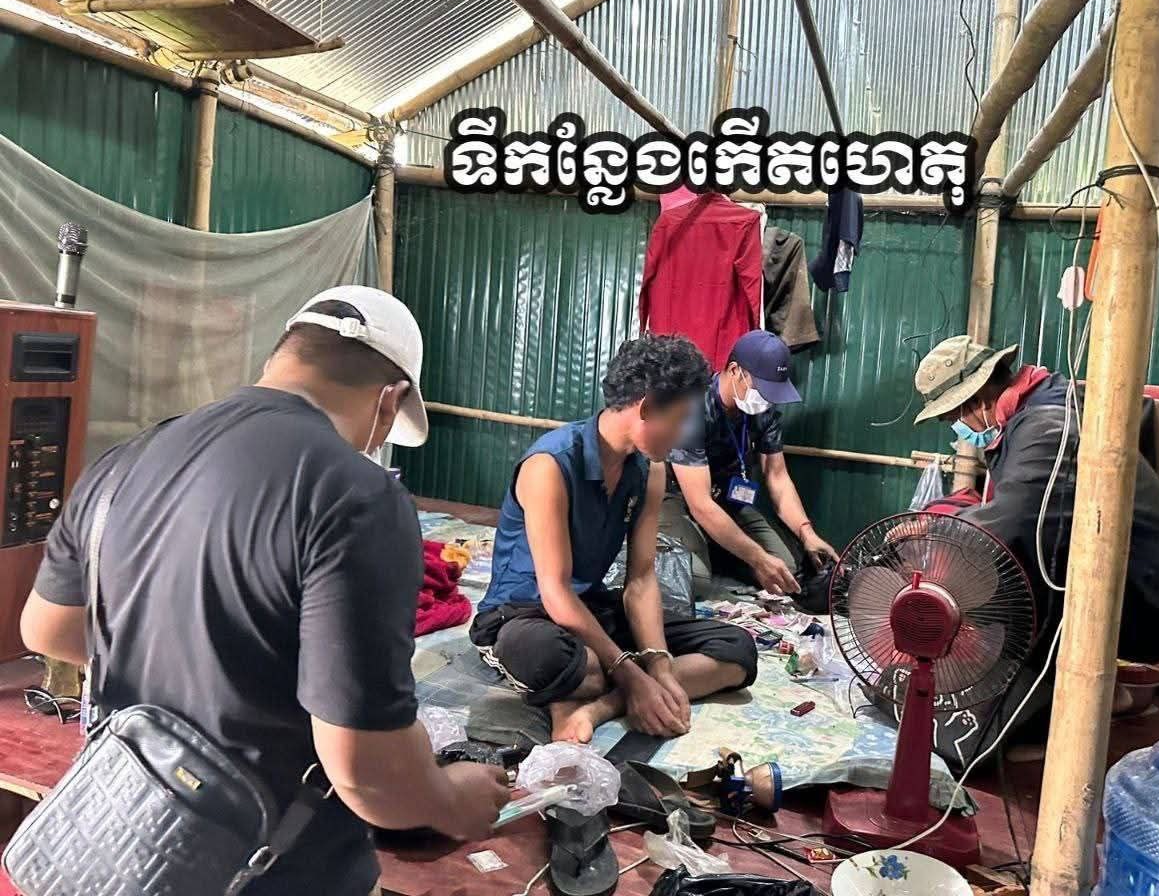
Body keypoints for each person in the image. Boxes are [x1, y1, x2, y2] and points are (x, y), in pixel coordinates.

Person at [20, 286, 510, 895]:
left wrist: (202, 664)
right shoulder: (355, 493)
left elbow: (48, 628)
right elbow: (367, 772)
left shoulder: (124, 460)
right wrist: (451, 800)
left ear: (279, 358)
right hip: (271, 866)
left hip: (126, 838)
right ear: (390, 402)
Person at [471, 334, 758, 744]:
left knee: (737, 647)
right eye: (678, 419)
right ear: (647, 408)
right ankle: (611, 683)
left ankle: (599, 705)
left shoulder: (649, 469)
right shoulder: (550, 465)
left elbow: (640, 577)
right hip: (525, 614)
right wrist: (629, 671)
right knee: (547, 657)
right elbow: (555, 592)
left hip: (589, 610)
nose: (681, 435)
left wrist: (658, 666)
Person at [911, 335, 1159, 701]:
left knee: (996, 594)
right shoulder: (1038, 408)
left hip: (1150, 604)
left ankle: (1056, 705)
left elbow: (1012, 522)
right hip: (1147, 585)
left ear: (978, 398)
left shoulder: (1048, 425)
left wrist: (937, 528)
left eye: (954, 417)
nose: (957, 427)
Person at [660, 329, 838, 611]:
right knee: (694, 578)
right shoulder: (693, 409)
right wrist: (757, 557)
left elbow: (777, 478)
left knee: (787, 570)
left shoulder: (763, 412)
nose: (766, 399)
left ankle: (718, 545)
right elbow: (700, 504)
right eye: (762, 388)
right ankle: (707, 545)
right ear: (735, 371)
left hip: (727, 498)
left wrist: (807, 533)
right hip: (676, 498)